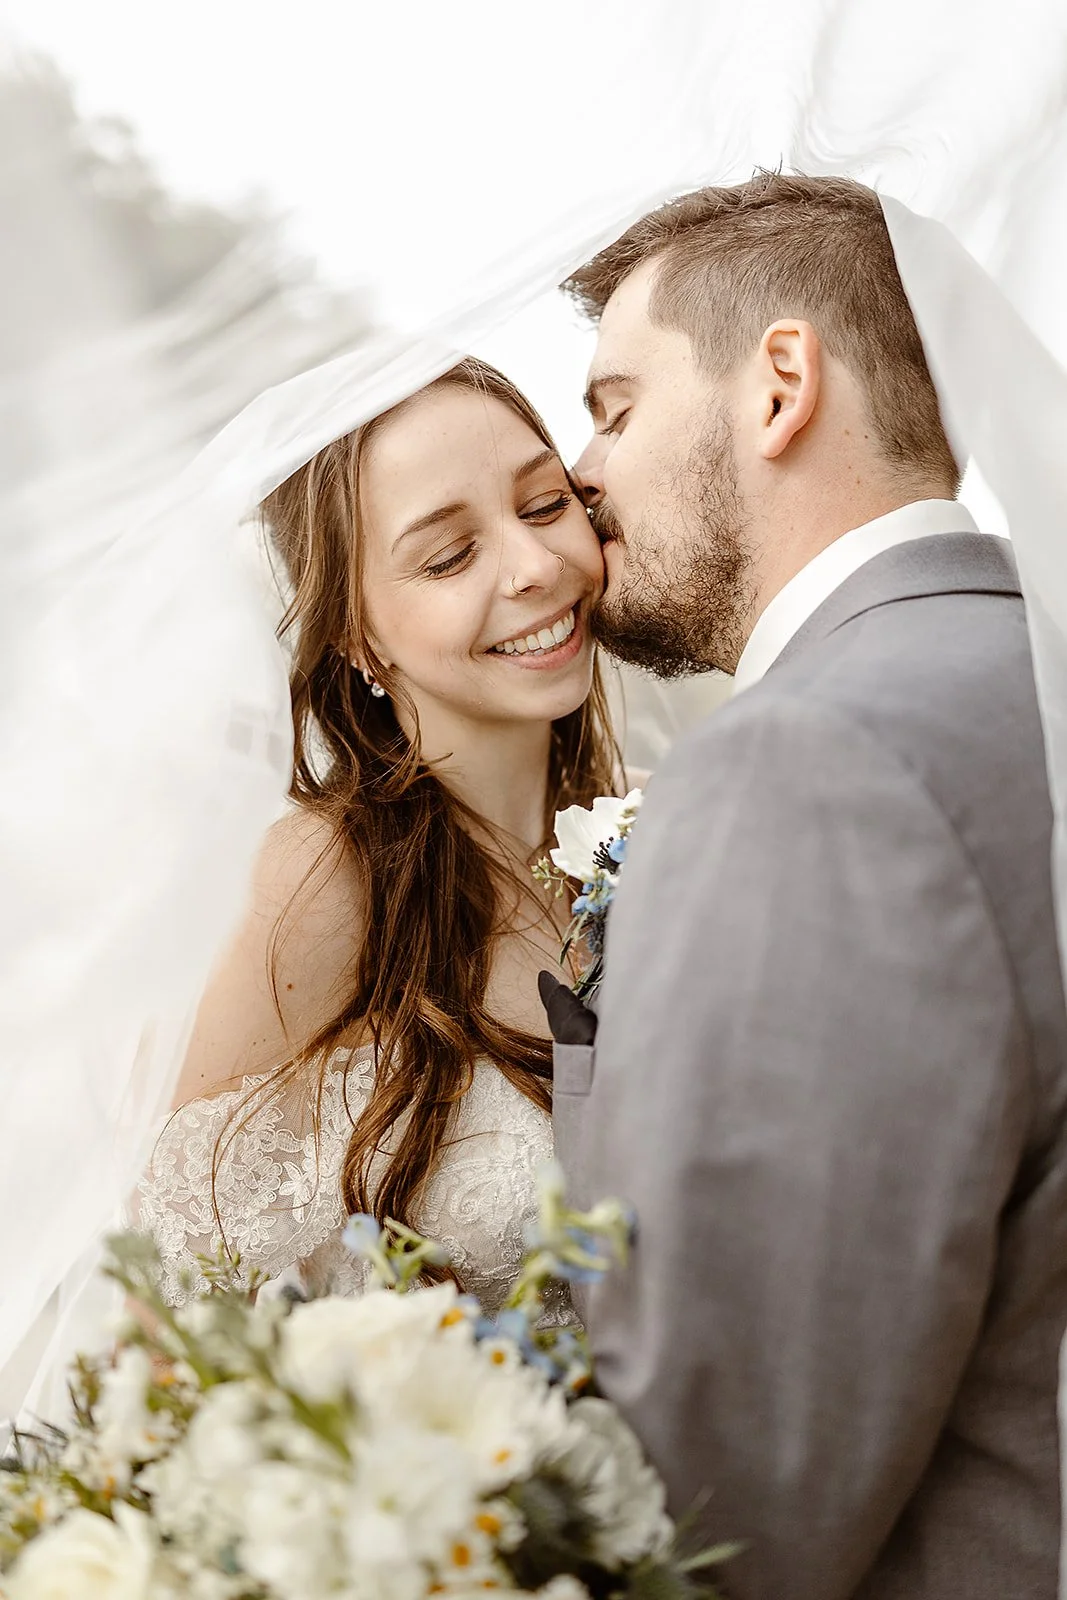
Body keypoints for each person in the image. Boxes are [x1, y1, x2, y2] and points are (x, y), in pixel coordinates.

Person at [545, 172, 1067, 1598]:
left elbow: (724, 1494)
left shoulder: (816, 763)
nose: (579, 477)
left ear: (779, 384)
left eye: (613, 406)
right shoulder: (1026, 687)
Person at [136, 356, 622, 1311]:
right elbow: (178, 1306)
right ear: (358, 637)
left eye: (542, 505)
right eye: (448, 557)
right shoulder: (321, 882)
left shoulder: (667, 829)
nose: (533, 569)